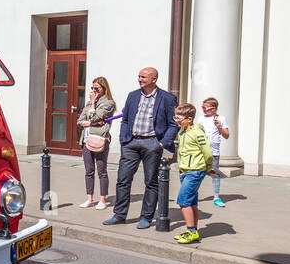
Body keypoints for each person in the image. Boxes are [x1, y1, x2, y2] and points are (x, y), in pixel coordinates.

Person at [104, 67, 179, 228]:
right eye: (139, 76)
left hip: (152, 143)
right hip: (131, 143)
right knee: (123, 180)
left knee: (151, 182)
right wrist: (124, 140)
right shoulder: (133, 96)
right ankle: (119, 214)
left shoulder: (167, 98)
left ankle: (146, 217)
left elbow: (174, 124)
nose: (140, 79)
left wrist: (162, 143)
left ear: (154, 79)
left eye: (143, 77)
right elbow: (125, 120)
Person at [173, 103, 218, 244]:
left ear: (190, 119)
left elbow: (208, 152)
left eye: (179, 118)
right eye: (176, 117)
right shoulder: (182, 131)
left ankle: (191, 231)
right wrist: (182, 169)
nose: (177, 120)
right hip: (186, 171)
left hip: (195, 171)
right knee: (191, 202)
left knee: (183, 200)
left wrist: (208, 167)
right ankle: (194, 231)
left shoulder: (197, 133)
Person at [76, 77, 117, 209]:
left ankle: (102, 200)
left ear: (104, 89)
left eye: (97, 88)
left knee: (102, 170)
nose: (94, 91)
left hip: (100, 140)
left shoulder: (109, 103)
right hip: (86, 140)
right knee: (89, 171)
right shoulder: (88, 103)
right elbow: (80, 121)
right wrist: (88, 121)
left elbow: (95, 117)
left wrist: (93, 106)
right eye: (92, 88)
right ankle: (89, 198)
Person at [200, 96, 230, 207]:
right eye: (202, 107)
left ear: (213, 108)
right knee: (198, 173)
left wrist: (220, 127)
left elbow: (226, 135)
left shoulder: (221, 118)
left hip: (214, 151)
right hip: (201, 151)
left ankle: (216, 197)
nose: (203, 109)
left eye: (205, 107)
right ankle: (193, 194)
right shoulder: (200, 119)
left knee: (215, 174)